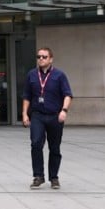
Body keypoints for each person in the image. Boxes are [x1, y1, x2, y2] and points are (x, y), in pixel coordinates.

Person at [22, 47, 73, 189]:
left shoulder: (59, 75)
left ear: (51, 59)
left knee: (54, 148)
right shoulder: (31, 75)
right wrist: (25, 114)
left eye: (44, 57)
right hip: (37, 115)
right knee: (36, 143)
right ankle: (38, 176)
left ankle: (54, 177)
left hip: (55, 116)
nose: (41, 59)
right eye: (38, 57)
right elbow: (26, 96)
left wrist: (64, 110)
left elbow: (68, 95)